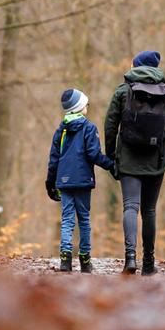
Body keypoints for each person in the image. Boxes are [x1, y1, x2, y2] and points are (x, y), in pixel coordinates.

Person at [102, 50, 165, 274]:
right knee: (149, 210)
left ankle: (130, 258)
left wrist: (111, 158)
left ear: (136, 66)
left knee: (130, 206)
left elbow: (110, 125)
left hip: (128, 159)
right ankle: (148, 263)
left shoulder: (123, 91)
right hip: (155, 161)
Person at [45, 87, 115, 272]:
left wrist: (50, 184)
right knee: (83, 220)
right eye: (85, 104)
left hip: (64, 181)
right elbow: (94, 154)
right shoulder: (89, 127)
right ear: (79, 107)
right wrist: (112, 164)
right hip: (83, 180)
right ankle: (85, 260)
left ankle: (65, 259)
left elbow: (54, 159)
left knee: (67, 219)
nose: (87, 107)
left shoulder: (61, 129)